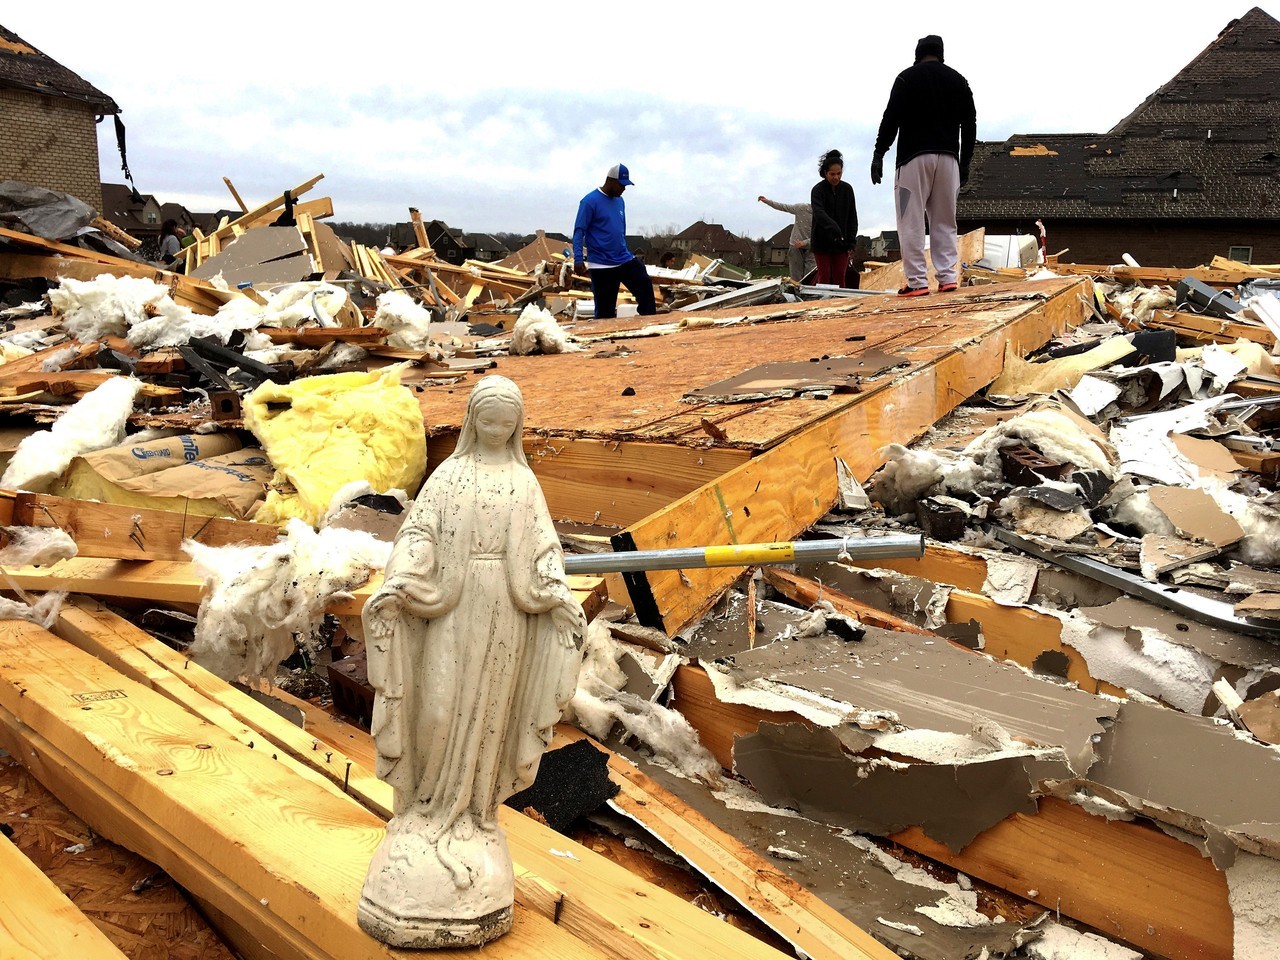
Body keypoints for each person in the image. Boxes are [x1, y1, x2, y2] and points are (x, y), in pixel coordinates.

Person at [359, 375, 585, 945]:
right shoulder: (449, 475)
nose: (497, 427)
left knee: (489, 716)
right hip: (449, 611)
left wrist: (552, 584)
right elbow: (420, 533)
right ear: (472, 420)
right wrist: (407, 574)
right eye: (489, 417)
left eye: (508, 419)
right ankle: (423, 807)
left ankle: (474, 815)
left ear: (517, 425)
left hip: (505, 614)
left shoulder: (522, 481)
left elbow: (543, 548)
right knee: (436, 709)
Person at [870, 34, 977, 297]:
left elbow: (890, 119)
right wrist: (965, 163)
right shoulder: (958, 80)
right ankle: (948, 278)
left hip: (913, 159)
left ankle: (917, 282)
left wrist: (879, 153)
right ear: (941, 54)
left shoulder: (906, 78)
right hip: (949, 158)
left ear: (918, 54)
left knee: (911, 221)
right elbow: (970, 123)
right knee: (944, 221)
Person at [572, 164, 657, 319]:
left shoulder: (620, 201)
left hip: (623, 258)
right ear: (610, 181)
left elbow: (620, 229)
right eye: (621, 185)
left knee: (643, 283)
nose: (623, 189)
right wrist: (578, 258)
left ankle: (647, 321)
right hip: (601, 264)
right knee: (605, 312)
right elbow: (579, 231)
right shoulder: (589, 201)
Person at [809, 150, 857, 286]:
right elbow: (819, 213)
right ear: (825, 173)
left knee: (840, 278)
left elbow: (852, 217)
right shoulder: (817, 190)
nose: (836, 177)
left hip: (842, 244)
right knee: (824, 277)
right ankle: (821, 304)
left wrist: (852, 240)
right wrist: (834, 227)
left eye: (839, 173)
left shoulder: (847, 190)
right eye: (832, 174)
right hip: (822, 243)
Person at [757, 194, 815, 282]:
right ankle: (796, 290)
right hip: (795, 245)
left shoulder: (823, 216)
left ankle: (808, 291)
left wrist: (805, 242)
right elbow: (783, 207)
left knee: (810, 274)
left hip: (812, 245)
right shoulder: (801, 208)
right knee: (796, 274)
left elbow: (822, 235)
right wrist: (767, 201)